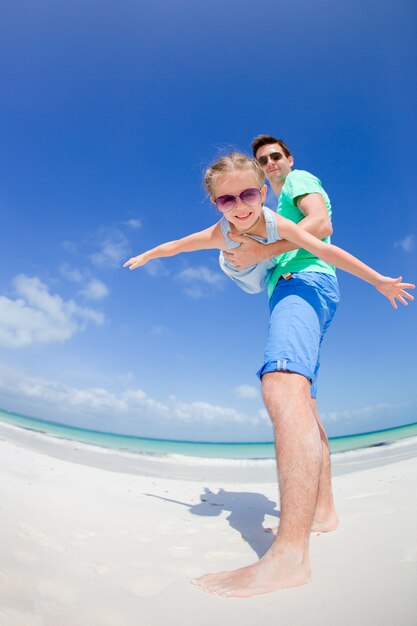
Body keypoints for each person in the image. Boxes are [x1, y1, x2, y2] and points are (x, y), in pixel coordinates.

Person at [124, 152, 414, 597]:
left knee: (280, 384)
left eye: (249, 193)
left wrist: (378, 280)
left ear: (263, 191)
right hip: (270, 281)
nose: (240, 206)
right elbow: (178, 245)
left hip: (300, 284)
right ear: (215, 203)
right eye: (226, 199)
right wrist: (148, 254)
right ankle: (323, 513)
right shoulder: (220, 230)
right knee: (304, 400)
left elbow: (326, 246)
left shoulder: (280, 222)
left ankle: (290, 558)